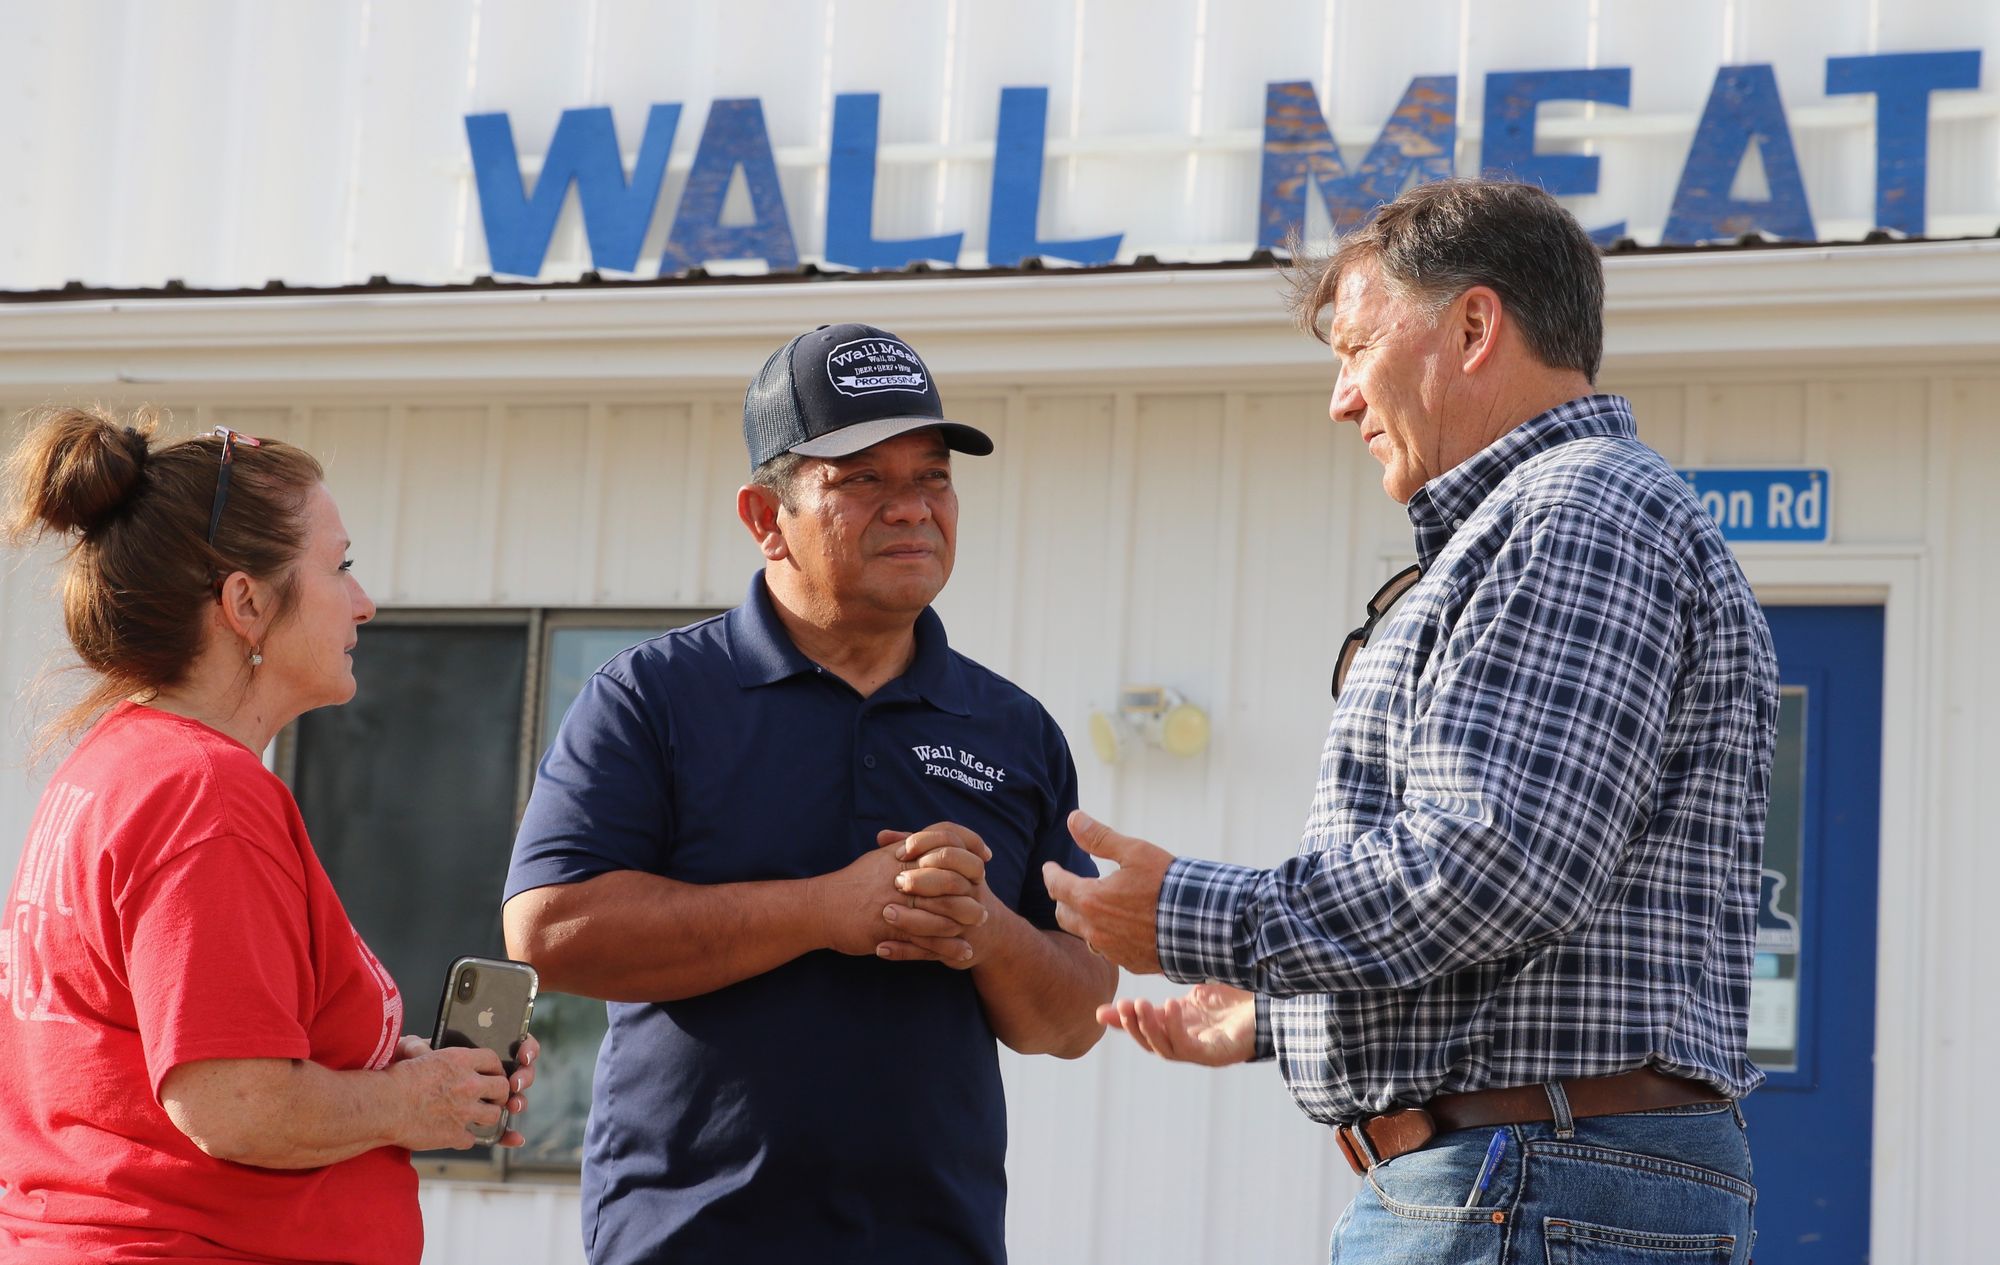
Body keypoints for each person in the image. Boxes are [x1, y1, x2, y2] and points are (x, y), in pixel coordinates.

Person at [1045, 179, 1778, 1260]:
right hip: (1542, 1175)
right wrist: (1266, 1018)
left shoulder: (1568, 513)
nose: (1340, 398)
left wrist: (1189, 912)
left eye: (1352, 349)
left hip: (1524, 1182)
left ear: (1474, 326)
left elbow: (1497, 863)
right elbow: (1539, 949)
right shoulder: (1568, 517)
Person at [502, 322, 1117, 1264]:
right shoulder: (654, 698)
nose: (911, 508)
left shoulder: (1012, 728)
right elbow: (549, 931)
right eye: (862, 478)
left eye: (932, 477)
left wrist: (984, 930)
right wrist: (824, 909)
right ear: (763, 515)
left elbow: (1075, 1016)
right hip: (689, 1239)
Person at [0, 408, 540, 1264]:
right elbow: (236, 1104)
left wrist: (409, 1074)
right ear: (245, 603)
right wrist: (410, 1103)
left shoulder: (116, 768)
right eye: (341, 567)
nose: (364, 603)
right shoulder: (203, 792)